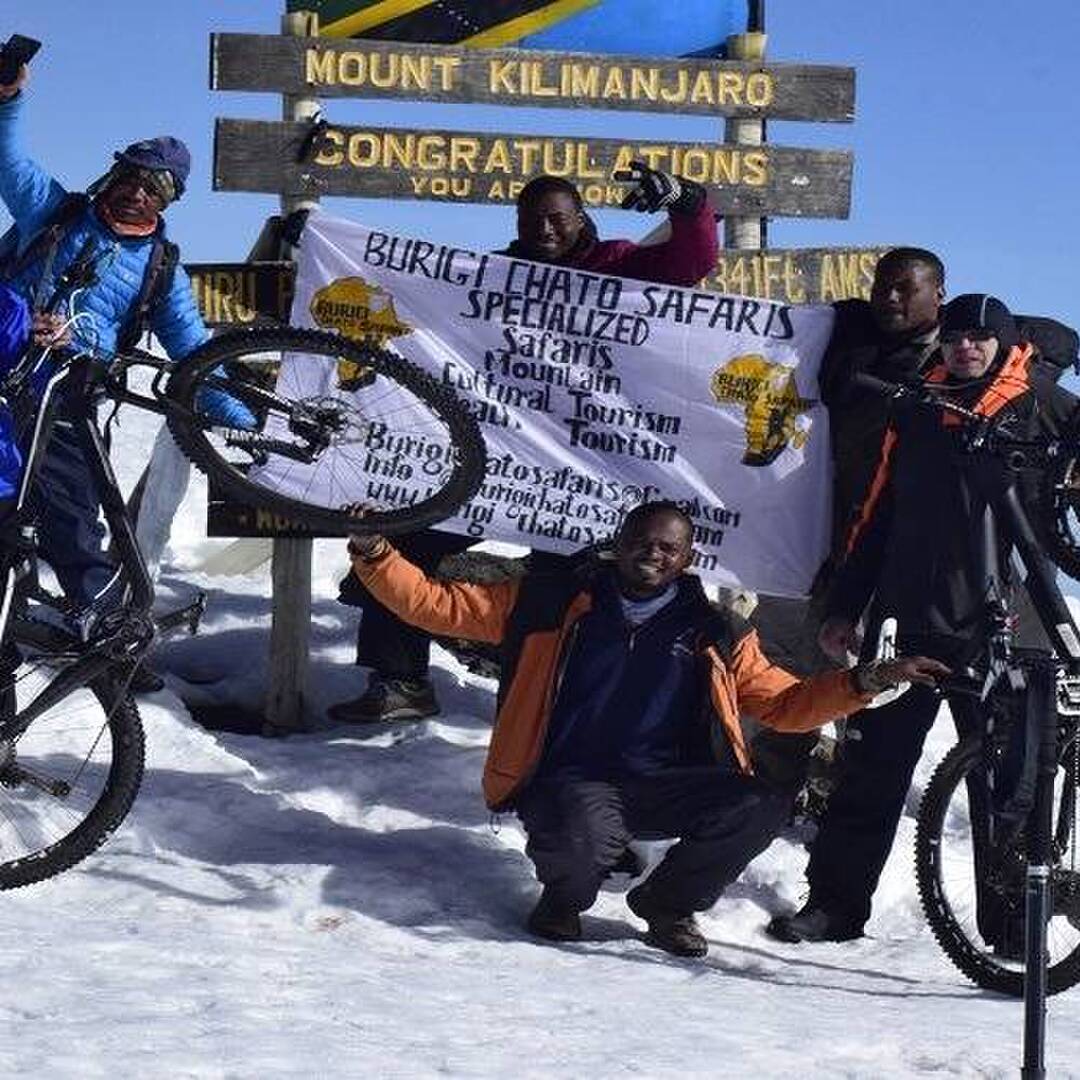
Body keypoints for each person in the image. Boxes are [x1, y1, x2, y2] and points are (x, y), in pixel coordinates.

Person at [345, 500, 947, 958]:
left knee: (758, 803)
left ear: (687, 559)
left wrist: (865, 681)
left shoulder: (715, 630)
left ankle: (669, 905)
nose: (652, 554)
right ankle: (564, 898)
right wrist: (374, 552)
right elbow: (436, 604)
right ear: (619, 544)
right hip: (570, 777)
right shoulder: (550, 601)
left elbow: (786, 704)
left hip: (664, 781)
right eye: (641, 542)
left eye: (668, 547)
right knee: (584, 837)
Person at [327, 163, 721, 724]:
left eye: (557, 219)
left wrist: (686, 201)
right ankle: (400, 682)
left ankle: (546, 713)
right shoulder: (496, 275)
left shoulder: (616, 267)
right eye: (531, 220)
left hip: (583, 475)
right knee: (405, 540)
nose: (545, 230)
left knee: (558, 592)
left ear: (581, 218)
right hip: (499, 463)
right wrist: (320, 250)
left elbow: (692, 262)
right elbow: (411, 293)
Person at [766, 294, 1078, 946]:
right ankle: (834, 906)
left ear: (1002, 342)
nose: (965, 348)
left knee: (1009, 781)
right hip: (907, 621)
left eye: (979, 338)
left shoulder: (1047, 407)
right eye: (956, 338)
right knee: (870, 769)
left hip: (1008, 626)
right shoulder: (916, 406)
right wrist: (847, 604)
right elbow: (878, 514)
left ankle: (1013, 928)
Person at [0, 61, 249, 688]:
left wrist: (242, 420)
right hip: (6, 380)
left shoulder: (161, 268)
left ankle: (110, 649)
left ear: (171, 199)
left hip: (69, 401)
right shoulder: (54, 214)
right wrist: (8, 98)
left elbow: (193, 353)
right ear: (114, 175)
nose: (140, 192)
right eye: (134, 176)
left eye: (157, 186)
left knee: (75, 525)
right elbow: (10, 159)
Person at [747, 248, 946, 789]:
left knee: (866, 680)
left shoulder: (955, 366)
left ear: (938, 295)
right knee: (785, 667)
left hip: (885, 557)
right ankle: (767, 790)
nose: (890, 298)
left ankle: (845, 798)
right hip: (804, 535)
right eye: (883, 286)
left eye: (906, 288)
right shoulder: (839, 336)